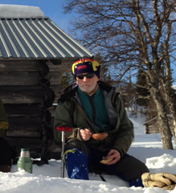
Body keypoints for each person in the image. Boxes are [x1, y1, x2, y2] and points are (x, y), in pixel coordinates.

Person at [53, 58, 149, 187]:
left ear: (97, 77)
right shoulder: (67, 100)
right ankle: (80, 187)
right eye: (80, 77)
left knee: (140, 171)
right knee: (73, 146)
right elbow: (58, 130)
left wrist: (118, 150)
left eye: (89, 75)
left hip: (109, 152)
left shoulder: (112, 97)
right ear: (76, 79)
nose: (85, 80)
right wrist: (77, 133)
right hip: (84, 151)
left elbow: (126, 128)